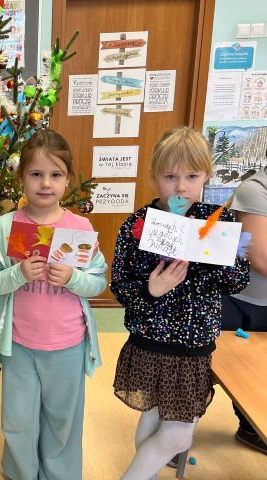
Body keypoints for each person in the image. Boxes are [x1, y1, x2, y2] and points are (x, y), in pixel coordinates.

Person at [111, 126, 250, 480]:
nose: (181, 187)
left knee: (174, 432)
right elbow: (120, 286)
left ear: (206, 175)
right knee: (159, 422)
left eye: (192, 176)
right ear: (154, 175)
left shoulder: (218, 222)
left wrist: (216, 257)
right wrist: (150, 290)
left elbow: (238, 281)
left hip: (193, 346)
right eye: (170, 177)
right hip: (150, 341)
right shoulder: (137, 225)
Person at [0, 129, 107, 480]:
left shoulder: (80, 227)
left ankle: (59, 474)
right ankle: (21, 472)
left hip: (67, 345)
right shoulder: (4, 227)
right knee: (18, 419)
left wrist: (72, 278)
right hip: (19, 344)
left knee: (63, 419)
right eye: (36, 174)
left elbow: (98, 282)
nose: (46, 183)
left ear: (68, 179)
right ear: (22, 177)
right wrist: (18, 273)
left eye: (56, 174)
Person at [221, 162, 267, 455]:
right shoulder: (255, 190)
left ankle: (250, 428)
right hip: (237, 300)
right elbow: (260, 256)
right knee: (213, 368)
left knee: (257, 375)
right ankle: (177, 428)